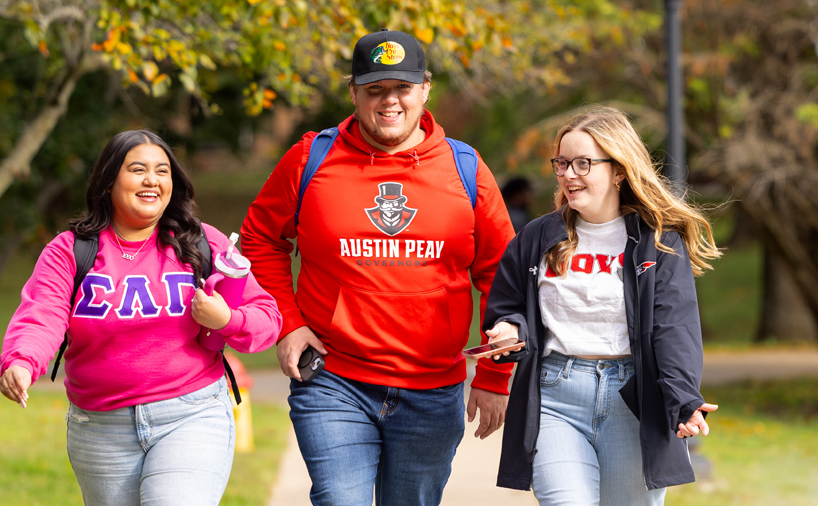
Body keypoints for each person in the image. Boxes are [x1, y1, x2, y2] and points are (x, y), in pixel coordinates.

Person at [241, 29, 516, 505]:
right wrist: (288, 324)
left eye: (402, 88)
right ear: (354, 93)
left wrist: (495, 375)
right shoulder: (311, 158)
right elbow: (260, 239)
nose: (390, 102)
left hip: (432, 389)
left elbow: (503, 275)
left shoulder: (465, 168)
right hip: (332, 379)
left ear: (425, 89)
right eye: (375, 90)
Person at [0, 130, 281, 505]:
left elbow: (266, 318)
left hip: (190, 414)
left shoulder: (202, 243)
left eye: (162, 171)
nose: (152, 179)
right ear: (109, 181)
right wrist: (22, 360)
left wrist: (226, 318)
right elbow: (43, 313)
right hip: (99, 427)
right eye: (138, 169)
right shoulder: (71, 250)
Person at [484, 106, 721, 505]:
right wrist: (509, 328)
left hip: (632, 399)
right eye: (561, 163)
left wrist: (683, 399)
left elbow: (673, 327)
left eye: (582, 163)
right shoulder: (537, 236)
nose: (567, 174)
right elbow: (507, 303)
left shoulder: (657, 243)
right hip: (556, 395)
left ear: (618, 170)